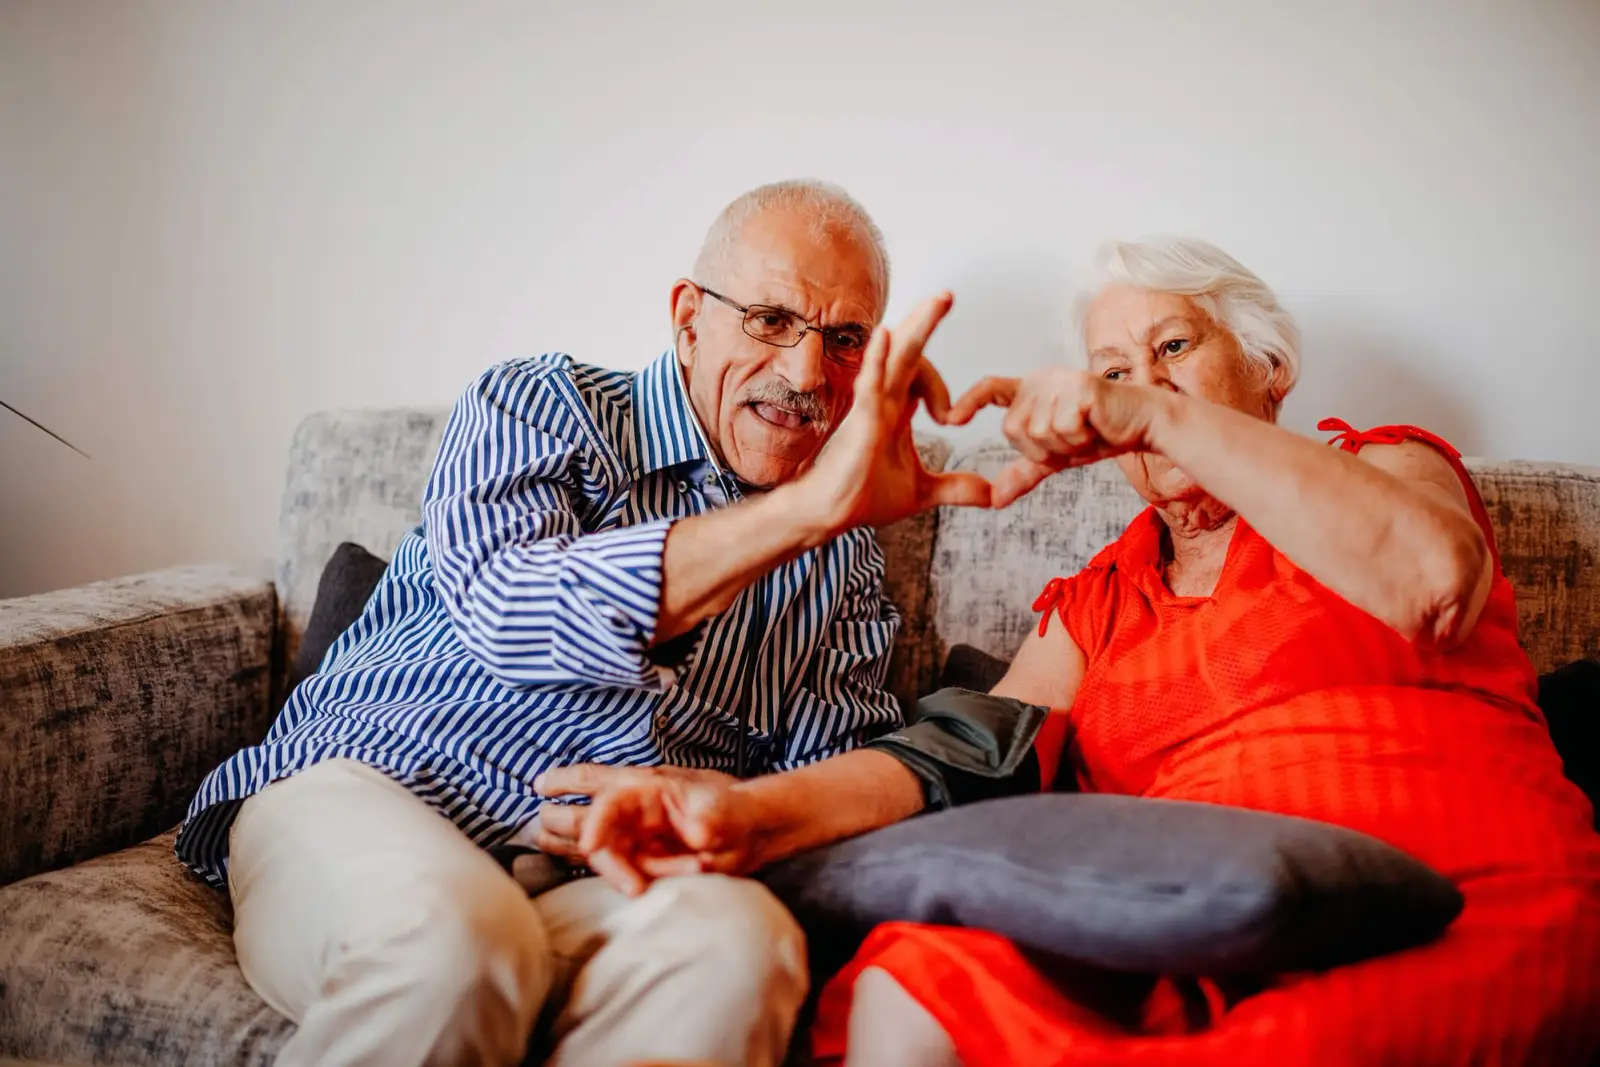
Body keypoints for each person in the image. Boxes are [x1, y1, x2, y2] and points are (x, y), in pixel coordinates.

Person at [555, 237, 1600, 1066]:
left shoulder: (1385, 466)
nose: (1137, 384)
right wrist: (741, 812)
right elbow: (957, 756)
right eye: (1110, 369)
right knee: (915, 972)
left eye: (1173, 348)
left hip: (1458, 900)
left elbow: (1430, 583)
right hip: (1189, 925)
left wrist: (1145, 408)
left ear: (1271, 366)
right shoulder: (1102, 593)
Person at [174, 179, 994, 1067]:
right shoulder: (543, 405)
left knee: (741, 946)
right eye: (769, 319)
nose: (805, 375)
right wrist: (803, 515)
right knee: (456, 937)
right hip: (367, 800)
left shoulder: (845, 562)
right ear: (689, 319)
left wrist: (702, 815)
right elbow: (509, 610)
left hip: (603, 882)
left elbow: (808, 797)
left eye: (843, 341)